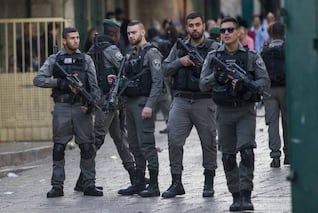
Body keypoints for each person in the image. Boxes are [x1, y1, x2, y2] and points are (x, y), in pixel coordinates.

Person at [200, 17, 270, 211]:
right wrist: (217, 77)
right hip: (223, 111)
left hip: (245, 110)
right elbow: (202, 84)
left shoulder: (251, 56)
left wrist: (248, 85)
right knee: (228, 156)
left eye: (230, 30)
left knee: (246, 152)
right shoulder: (213, 56)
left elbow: (265, 81)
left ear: (239, 32)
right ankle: (235, 194)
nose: (226, 34)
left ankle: (246, 195)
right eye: (223, 31)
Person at [33, 27, 102, 198]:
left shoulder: (85, 59)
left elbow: (94, 87)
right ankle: (57, 186)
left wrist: (91, 102)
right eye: (72, 38)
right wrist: (60, 83)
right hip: (62, 106)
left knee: (87, 146)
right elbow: (38, 79)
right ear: (64, 40)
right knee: (58, 147)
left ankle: (89, 183)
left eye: (78, 37)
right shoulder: (55, 60)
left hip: (81, 107)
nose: (76, 41)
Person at [161, 12, 219, 199]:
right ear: (186, 28)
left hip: (204, 100)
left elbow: (221, 72)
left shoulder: (214, 47)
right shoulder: (179, 47)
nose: (194, 28)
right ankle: (176, 182)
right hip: (181, 100)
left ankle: (208, 183)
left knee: (209, 142)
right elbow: (165, 69)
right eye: (191, 25)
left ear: (203, 26)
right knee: (174, 140)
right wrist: (181, 61)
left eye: (197, 25)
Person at [77, 19, 135, 190]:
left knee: (119, 137)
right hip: (107, 100)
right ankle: (84, 180)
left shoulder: (93, 48)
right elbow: (125, 66)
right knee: (98, 138)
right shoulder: (110, 48)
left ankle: (134, 175)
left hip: (105, 100)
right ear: (116, 33)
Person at [117, 21, 163, 197]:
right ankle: (138, 181)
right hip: (129, 103)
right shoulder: (130, 55)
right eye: (128, 33)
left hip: (143, 104)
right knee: (134, 145)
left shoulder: (151, 53)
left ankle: (154, 184)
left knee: (146, 145)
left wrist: (150, 105)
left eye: (134, 32)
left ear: (142, 32)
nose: (131, 36)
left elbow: (157, 82)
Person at [260, 22, 288, 167]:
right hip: (286, 89)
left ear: (270, 33)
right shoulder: (287, 48)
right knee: (287, 122)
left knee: (272, 123)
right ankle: (289, 154)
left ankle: (275, 156)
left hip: (269, 89)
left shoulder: (265, 50)